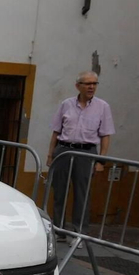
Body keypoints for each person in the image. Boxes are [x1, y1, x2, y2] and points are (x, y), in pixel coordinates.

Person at [45, 71, 115, 234]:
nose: (91, 87)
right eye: (87, 83)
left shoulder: (103, 107)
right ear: (78, 86)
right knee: (59, 191)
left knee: (82, 193)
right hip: (63, 150)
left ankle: (79, 233)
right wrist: (50, 155)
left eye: (94, 84)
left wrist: (101, 161)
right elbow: (56, 131)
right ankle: (59, 230)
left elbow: (105, 135)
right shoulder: (66, 104)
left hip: (86, 153)